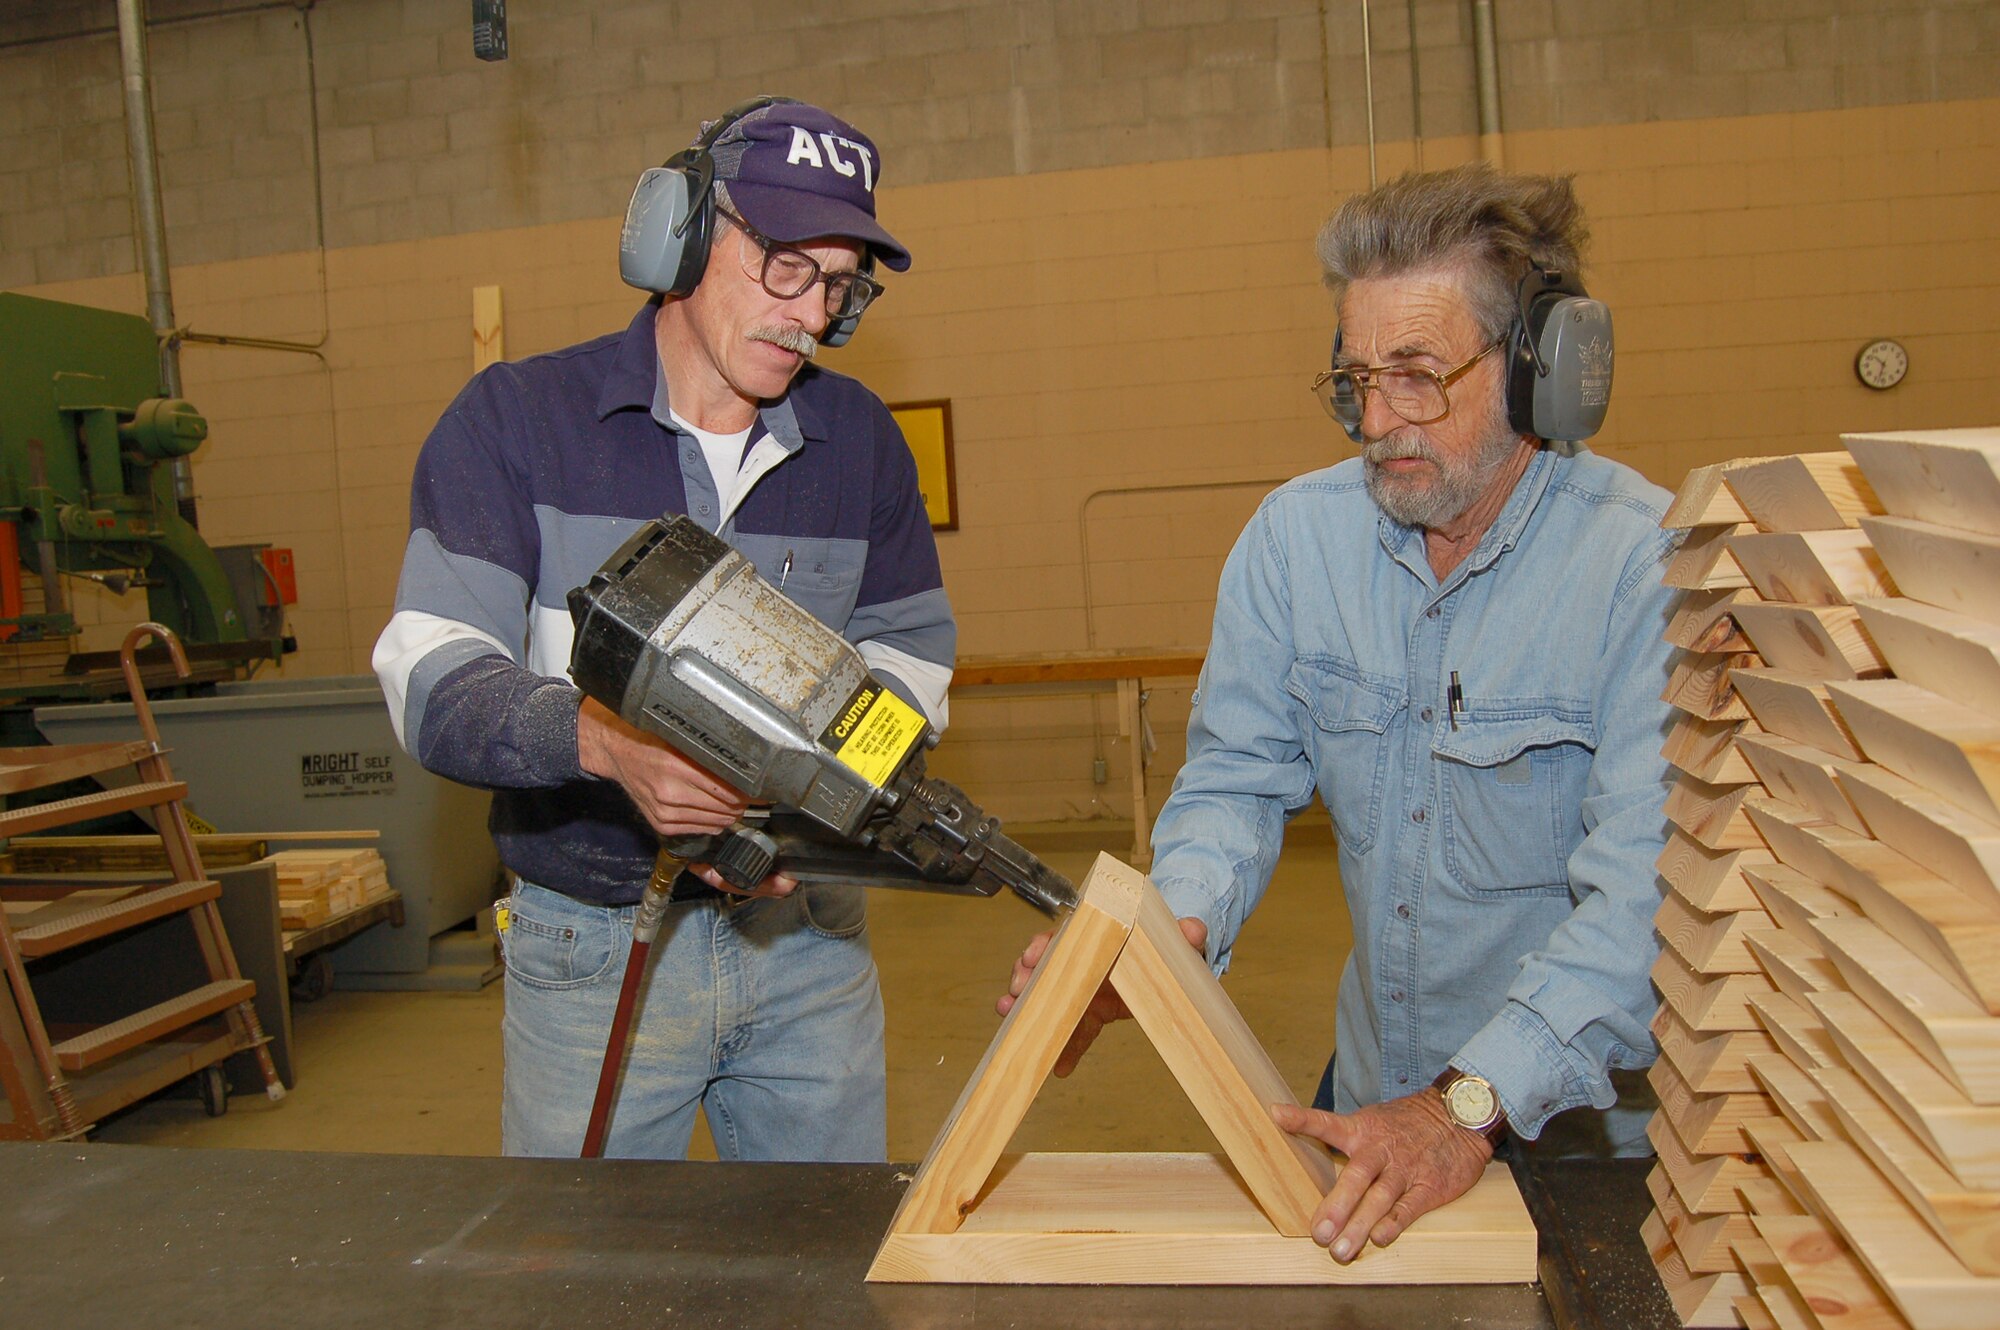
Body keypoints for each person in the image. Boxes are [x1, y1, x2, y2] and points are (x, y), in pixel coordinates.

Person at [1002, 163, 1678, 1261]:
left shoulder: (1641, 567)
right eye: (1353, 377)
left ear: (1534, 368)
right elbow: (1233, 783)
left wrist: (1464, 1106)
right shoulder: (1292, 541)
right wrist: (1165, 938)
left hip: (1583, 1140)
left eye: (1415, 376)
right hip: (1375, 1103)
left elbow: (1641, 909)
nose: (1375, 420)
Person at [374, 98, 954, 1162]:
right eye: (784, 263)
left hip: (806, 943)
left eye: (837, 283)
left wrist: (815, 792)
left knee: (823, 1270)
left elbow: (907, 657)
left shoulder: (859, 442)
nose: (809, 313)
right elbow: (432, 676)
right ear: (679, 234)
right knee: (587, 1284)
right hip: (591, 944)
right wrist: (602, 744)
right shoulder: (515, 423)